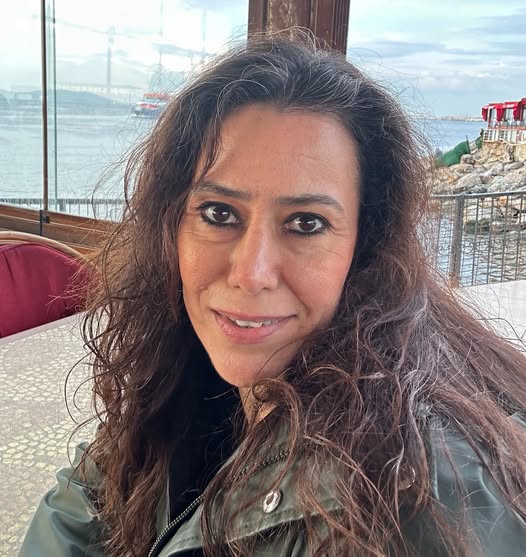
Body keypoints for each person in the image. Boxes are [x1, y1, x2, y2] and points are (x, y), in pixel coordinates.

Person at [20, 34, 526, 557]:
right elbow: (83, 508)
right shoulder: (183, 372)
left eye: (306, 223)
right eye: (219, 213)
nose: (251, 273)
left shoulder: (432, 498)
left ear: (366, 245)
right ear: (170, 227)